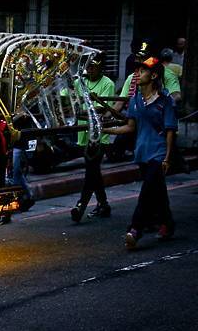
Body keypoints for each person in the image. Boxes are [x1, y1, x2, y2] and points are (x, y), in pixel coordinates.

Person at [103, 57, 177, 250]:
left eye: (143, 71)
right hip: (142, 152)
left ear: (153, 76)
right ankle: (167, 224)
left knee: (146, 192)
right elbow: (130, 127)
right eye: (139, 70)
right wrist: (106, 131)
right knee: (158, 191)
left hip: (159, 153)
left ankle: (136, 229)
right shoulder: (135, 100)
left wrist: (168, 157)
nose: (138, 74)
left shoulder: (164, 100)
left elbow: (170, 130)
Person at [70, 53, 115, 222]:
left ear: (100, 67)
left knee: (91, 170)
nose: (90, 69)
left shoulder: (107, 84)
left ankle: (80, 205)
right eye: (88, 66)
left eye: (93, 66)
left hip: (99, 135)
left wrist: (80, 110)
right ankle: (103, 204)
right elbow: (69, 100)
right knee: (94, 170)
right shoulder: (79, 82)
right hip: (83, 133)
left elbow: (102, 109)